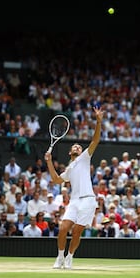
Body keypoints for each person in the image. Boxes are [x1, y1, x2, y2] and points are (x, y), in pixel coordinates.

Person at [46, 106, 103, 269]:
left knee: (77, 231)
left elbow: (95, 141)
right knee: (63, 228)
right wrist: (49, 161)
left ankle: (70, 257)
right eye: (75, 147)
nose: (78, 147)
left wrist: (98, 122)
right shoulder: (69, 170)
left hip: (88, 200)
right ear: (70, 152)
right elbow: (56, 180)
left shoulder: (85, 158)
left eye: (79, 146)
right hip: (74, 201)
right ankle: (60, 257)